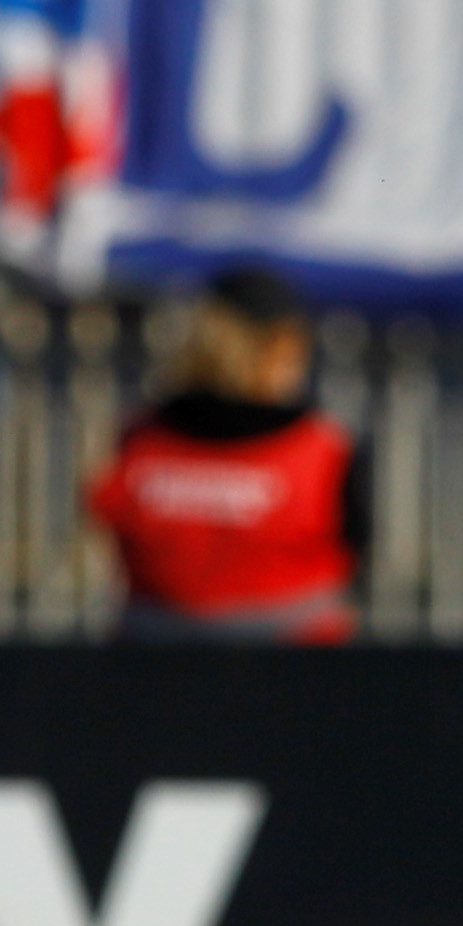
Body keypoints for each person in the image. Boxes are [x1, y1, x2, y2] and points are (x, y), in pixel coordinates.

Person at [85, 267, 366, 644]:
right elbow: (355, 544)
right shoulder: (323, 449)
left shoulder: (138, 440)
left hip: (155, 672)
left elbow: (106, 516)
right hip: (298, 674)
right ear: (280, 348)